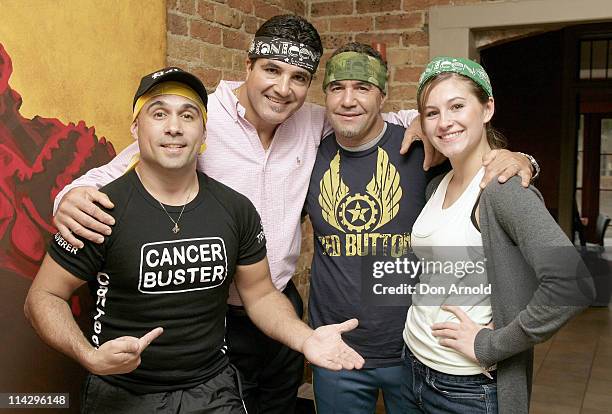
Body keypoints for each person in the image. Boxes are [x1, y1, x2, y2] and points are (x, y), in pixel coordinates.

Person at [50, 15, 535, 413]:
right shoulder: (197, 119)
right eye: (272, 71)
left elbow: (390, 117)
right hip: (211, 315)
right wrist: (68, 196)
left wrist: (515, 157)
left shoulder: (311, 119)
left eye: (299, 78)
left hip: (279, 306)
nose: (283, 89)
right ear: (248, 66)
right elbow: (119, 168)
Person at [24, 67, 364, 414]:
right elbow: (44, 296)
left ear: (204, 132)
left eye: (188, 116)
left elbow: (260, 294)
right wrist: (89, 356)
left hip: (212, 390)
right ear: (136, 127)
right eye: (159, 114)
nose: (174, 127)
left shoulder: (235, 210)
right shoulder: (99, 209)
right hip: (123, 390)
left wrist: (307, 338)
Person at [303, 43, 535, 414]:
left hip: (413, 351)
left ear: (383, 94)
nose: (348, 100)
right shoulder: (307, 156)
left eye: (362, 87)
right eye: (336, 88)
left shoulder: (423, 148)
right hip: (336, 346)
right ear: (325, 95)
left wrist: (522, 159)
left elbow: (481, 162)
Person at [402, 57, 595, 414]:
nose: (444, 122)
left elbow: (574, 284)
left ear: (487, 107)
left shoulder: (502, 190)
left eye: (457, 106)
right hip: (413, 365)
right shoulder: (437, 185)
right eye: (431, 113)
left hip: (465, 386)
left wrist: (492, 343)